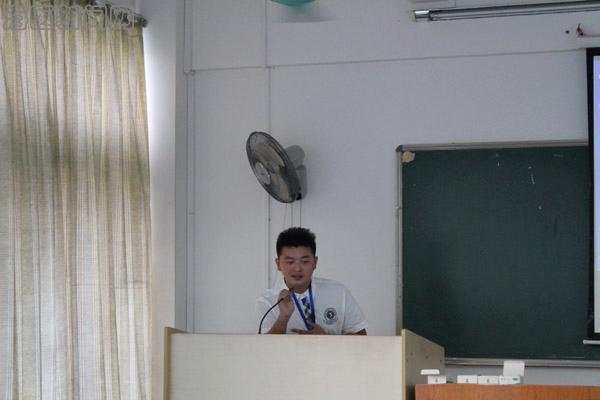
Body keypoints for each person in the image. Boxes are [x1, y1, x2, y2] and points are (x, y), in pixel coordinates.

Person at [256, 227, 367, 335]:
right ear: (278, 264)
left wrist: (326, 340)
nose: (297, 268)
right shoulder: (267, 301)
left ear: (315, 262)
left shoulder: (338, 292)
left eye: (305, 261)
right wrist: (283, 317)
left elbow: (362, 337)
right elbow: (264, 345)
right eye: (290, 262)